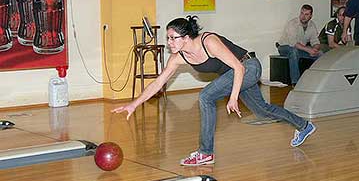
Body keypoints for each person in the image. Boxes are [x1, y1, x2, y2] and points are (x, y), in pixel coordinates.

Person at [112, 16, 316, 166]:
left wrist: (233, 97)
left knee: (206, 95)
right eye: (169, 38)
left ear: (186, 37)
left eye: (173, 38)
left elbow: (239, 67)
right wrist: (134, 104)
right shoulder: (179, 57)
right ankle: (304, 125)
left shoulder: (208, 42)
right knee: (262, 110)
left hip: (248, 67)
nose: (169, 42)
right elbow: (158, 83)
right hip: (235, 76)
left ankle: (205, 152)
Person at [277, 4, 322, 85]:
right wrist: (309, 50)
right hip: (285, 47)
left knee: (320, 53)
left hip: (300, 48)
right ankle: (295, 82)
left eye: (306, 14)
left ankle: (317, 80)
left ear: (311, 16)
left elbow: (315, 41)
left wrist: (315, 49)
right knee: (294, 51)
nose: (303, 16)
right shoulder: (292, 23)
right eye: (302, 13)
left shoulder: (312, 25)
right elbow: (293, 43)